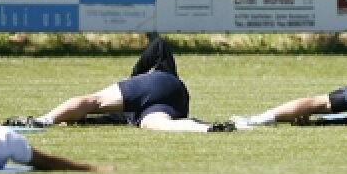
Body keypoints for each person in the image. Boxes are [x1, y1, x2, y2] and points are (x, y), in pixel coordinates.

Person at [13, 36, 232, 133]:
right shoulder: (165, 75)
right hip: (174, 104)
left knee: (94, 101)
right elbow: (160, 45)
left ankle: (43, 120)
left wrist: (136, 76)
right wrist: (83, 123)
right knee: (157, 125)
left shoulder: (142, 87)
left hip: (156, 86)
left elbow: (159, 45)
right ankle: (204, 128)